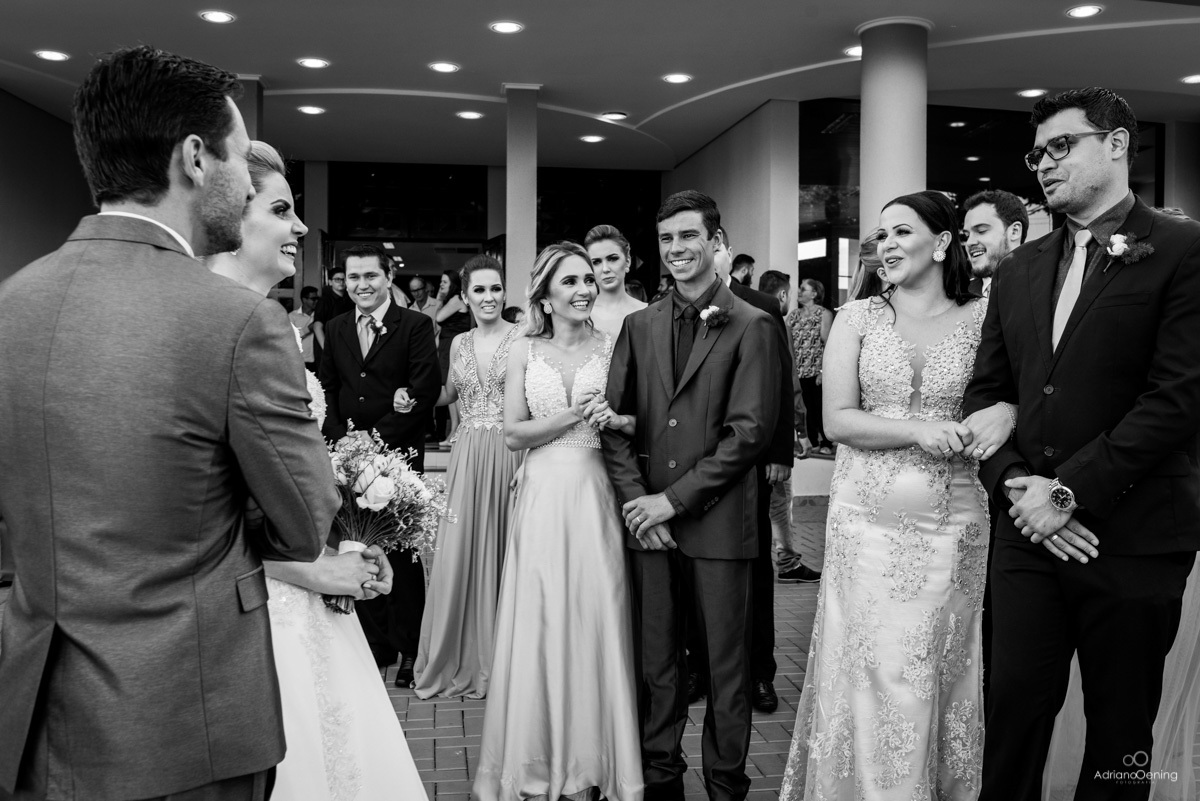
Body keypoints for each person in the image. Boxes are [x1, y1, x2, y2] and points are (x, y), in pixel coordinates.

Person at [0, 46, 339, 801]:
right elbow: (304, 521)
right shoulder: (237, 320)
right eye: (238, 158)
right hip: (189, 725)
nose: (244, 182)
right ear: (194, 158)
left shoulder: (11, 304)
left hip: (31, 721)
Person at [963, 87, 1200, 801]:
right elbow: (985, 394)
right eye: (1037, 153)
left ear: (1117, 144)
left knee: (1120, 735)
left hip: (1131, 534)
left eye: (1061, 146)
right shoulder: (1019, 268)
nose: (1043, 163)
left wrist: (1067, 493)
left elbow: (1178, 397)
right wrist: (1020, 491)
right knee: (1012, 716)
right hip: (1026, 534)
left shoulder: (1183, 249)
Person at [208, 141, 426, 801]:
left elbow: (280, 480)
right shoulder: (213, 329)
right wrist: (313, 569)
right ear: (229, 214)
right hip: (253, 610)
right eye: (282, 210)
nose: (301, 227)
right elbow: (207, 508)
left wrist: (347, 546)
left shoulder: (272, 323)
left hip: (312, 593)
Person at [781, 190, 1012, 800]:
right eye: (881, 235)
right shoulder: (857, 318)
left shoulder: (987, 316)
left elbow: (1013, 393)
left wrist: (1006, 413)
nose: (886, 246)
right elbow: (837, 420)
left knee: (936, 665)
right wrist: (918, 431)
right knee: (872, 666)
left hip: (955, 522)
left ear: (942, 243)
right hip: (864, 524)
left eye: (901, 232)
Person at [602, 190, 779, 801]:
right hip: (649, 529)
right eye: (666, 239)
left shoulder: (753, 324)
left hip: (721, 525)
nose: (676, 249)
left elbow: (748, 434)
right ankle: (661, 778)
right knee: (657, 664)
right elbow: (613, 424)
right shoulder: (638, 326)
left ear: (715, 240)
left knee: (727, 669)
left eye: (687, 236)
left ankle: (726, 784)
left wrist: (670, 501)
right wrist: (639, 506)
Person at [474, 242, 642, 801]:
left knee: (597, 615)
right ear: (545, 295)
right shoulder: (524, 350)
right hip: (542, 493)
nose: (584, 289)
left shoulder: (615, 344)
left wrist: (616, 418)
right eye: (570, 281)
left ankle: (595, 762)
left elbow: (639, 418)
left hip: (597, 492)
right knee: (541, 617)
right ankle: (538, 759)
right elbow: (513, 434)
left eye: (588, 279)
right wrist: (573, 413)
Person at [319, 243, 441, 687]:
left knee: (401, 553)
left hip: (397, 455)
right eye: (353, 277)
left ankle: (409, 648)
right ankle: (375, 642)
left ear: (388, 277)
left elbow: (424, 389)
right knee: (356, 542)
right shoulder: (336, 327)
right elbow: (328, 387)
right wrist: (340, 438)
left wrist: (374, 438)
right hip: (347, 454)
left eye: (370, 275)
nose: (361, 285)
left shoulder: (415, 325)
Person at [413, 256, 522, 699]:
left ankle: (505, 655)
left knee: (504, 545)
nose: (489, 297)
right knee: (462, 550)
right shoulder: (459, 342)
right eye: (479, 290)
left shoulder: (523, 337)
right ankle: (463, 650)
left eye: (495, 288)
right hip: (467, 455)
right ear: (465, 296)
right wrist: (410, 393)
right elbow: (447, 395)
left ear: (504, 291)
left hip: (509, 452)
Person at [756, 269, 823, 582]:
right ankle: (786, 561)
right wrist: (801, 432)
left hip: (741, 430)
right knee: (781, 498)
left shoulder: (742, 314)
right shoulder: (777, 321)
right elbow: (790, 381)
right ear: (782, 294)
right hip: (773, 431)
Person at [786, 278, 835, 455]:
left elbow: (828, 344)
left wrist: (823, 372)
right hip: (797, 371)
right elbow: (786, 341)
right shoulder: (793, 315)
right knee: (805, 409)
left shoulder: (823, 314)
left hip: (816, 371)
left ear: (814, 294)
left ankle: (827, 443)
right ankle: (812, 441)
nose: (799, 292)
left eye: (803, 289)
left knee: (820, 409)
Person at [585, 223, 648, 338]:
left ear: (627, 261)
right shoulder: (582, 313)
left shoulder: (648, 312)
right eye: (596, 262)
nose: (605, 269)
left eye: (612, 259)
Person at [963, 188, 1029, 297]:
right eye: (967, 235)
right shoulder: (959, 295)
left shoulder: (1042, 288)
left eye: (981, 231)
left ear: (1014, 231)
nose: (969, 242)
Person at [435, 268, 471, 447]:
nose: (441, 285)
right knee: (450, 388)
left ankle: (456, 431)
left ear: (453, 284)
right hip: (448, 344)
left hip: (452, 345)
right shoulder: (454, 299)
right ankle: (454, 431)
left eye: (444, 282)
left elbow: (439, 317)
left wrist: (439, 299)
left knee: (453, 388)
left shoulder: (456, 299)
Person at [312, 263, 354, 363]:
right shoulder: (325, 301)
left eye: (344, 279)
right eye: (337, 279)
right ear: (330, 282)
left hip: (344, 347)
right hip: (327, 348)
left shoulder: (350, 300)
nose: (341, 282)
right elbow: (317, 326)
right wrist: (327, 350)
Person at [289, 285, 320, 371]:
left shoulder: (320, 316)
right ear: (304, 299)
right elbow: (290, 338)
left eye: (317, 298)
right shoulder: (292, 316)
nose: (316, 301)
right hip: (300, 361)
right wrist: (308, 329)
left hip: (318, 361)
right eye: (313, 299)